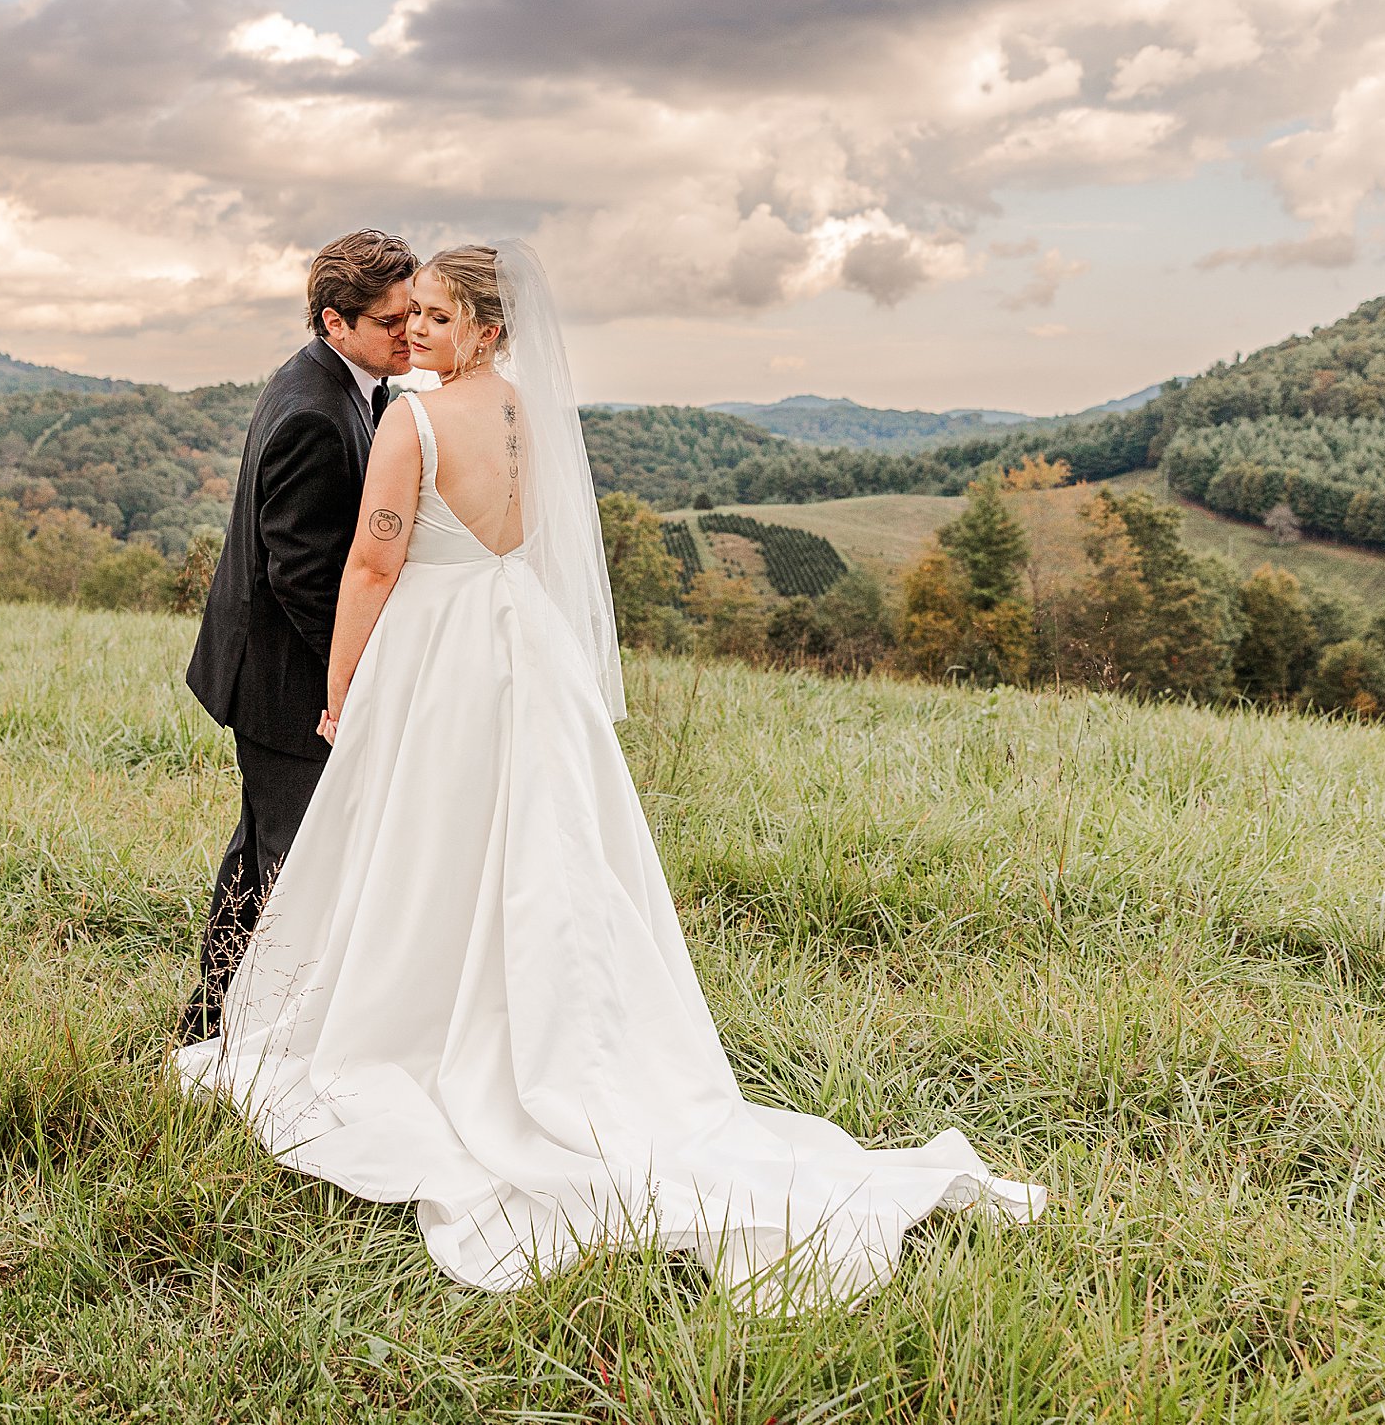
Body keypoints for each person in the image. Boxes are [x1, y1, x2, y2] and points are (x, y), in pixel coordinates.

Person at [178, 241, 1044, 1309]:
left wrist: (345, 685)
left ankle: (415, 1024)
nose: (421, 336)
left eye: (440, 319)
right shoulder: (529, 416)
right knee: (534, 846)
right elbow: (528, 539)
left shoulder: (410, 418)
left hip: (437, 655)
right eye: (416, 318)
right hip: (523, 650)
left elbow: (369, 562)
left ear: (487, 328)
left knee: (421, 843)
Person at [180, 228, 416, 1044]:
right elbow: (305, 575)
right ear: (334, 321)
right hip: (284, 684)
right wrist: (354, 679)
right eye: (391, 320)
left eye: (415, 313)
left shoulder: (343, 383)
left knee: (258, 860)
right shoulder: (317, 410)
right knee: (293, 868)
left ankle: (210, 1024)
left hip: (270, 674)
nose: (409, 331)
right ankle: (258, 1045)